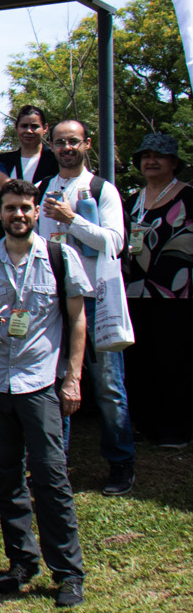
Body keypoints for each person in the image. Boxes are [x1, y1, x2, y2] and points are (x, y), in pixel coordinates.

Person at [0, 178, 88, 608]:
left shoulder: (60, 257)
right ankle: (22, 560)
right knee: (4, 477)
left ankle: (67, 572)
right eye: (10, 208)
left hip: (39, 382)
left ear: (36, 211)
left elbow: (76, 321)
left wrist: (72, 378)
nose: (18, 215)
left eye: (25, 207)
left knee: (51, 477)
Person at [37, 118, 134, 496]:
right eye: (60, 142)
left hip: (94, 300)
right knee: (55, 383)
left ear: (87, 144)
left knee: (108, 386)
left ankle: (121, 463)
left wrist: (71, 219)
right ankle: (55, 465)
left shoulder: (101, 189)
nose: (66, 148)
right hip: (56, 300)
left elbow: (114, 242)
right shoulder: (44, 189)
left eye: (73, 141)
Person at [125, 132, 193, 449]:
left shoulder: (189, 197)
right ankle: (146, 424)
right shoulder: (133, 200)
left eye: (159, 156)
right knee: (141, 360)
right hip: (134, 292)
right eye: (146, 155)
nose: (151, 161)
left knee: (174, 360)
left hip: (177, 296)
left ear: (173, 163)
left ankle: (176, 428)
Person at [0, 104, 56, 188]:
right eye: (24, 126)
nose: (29, 131)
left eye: (34, 126)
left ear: (45, 128)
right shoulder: (4, 161)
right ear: (16, 127)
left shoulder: (56, 160)